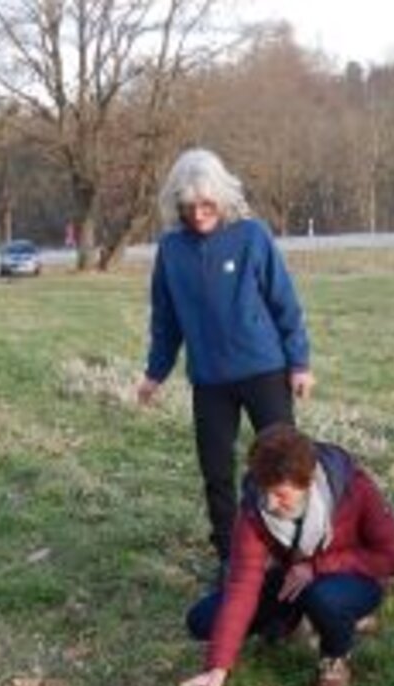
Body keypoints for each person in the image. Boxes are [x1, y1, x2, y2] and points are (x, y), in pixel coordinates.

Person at [138, 149, 314, 571]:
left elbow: (283, 302)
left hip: (264, 371)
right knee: (216, 472)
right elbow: (166, 318)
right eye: (188, 206)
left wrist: (300, 362)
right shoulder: (171, 249)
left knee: (281, 466)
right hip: (210, 380)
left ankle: (296, 552)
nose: (198, 215)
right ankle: (232, 561)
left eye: (207, 205)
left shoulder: (252, 236)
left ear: (221, 198)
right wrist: (154, 373)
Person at [178, 425, 394, 686]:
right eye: (265, 491)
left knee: (325, 598)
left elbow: (390, 556)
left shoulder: (355, 488)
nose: (270, 503)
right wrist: (217, 669)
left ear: (308, 481)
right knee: (202, 620)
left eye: (281, 495)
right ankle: (297, 620)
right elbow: (242, 585)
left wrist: (318, 566)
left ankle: (335, 658)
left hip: (353, 577)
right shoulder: (255, 508)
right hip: (292, 577)